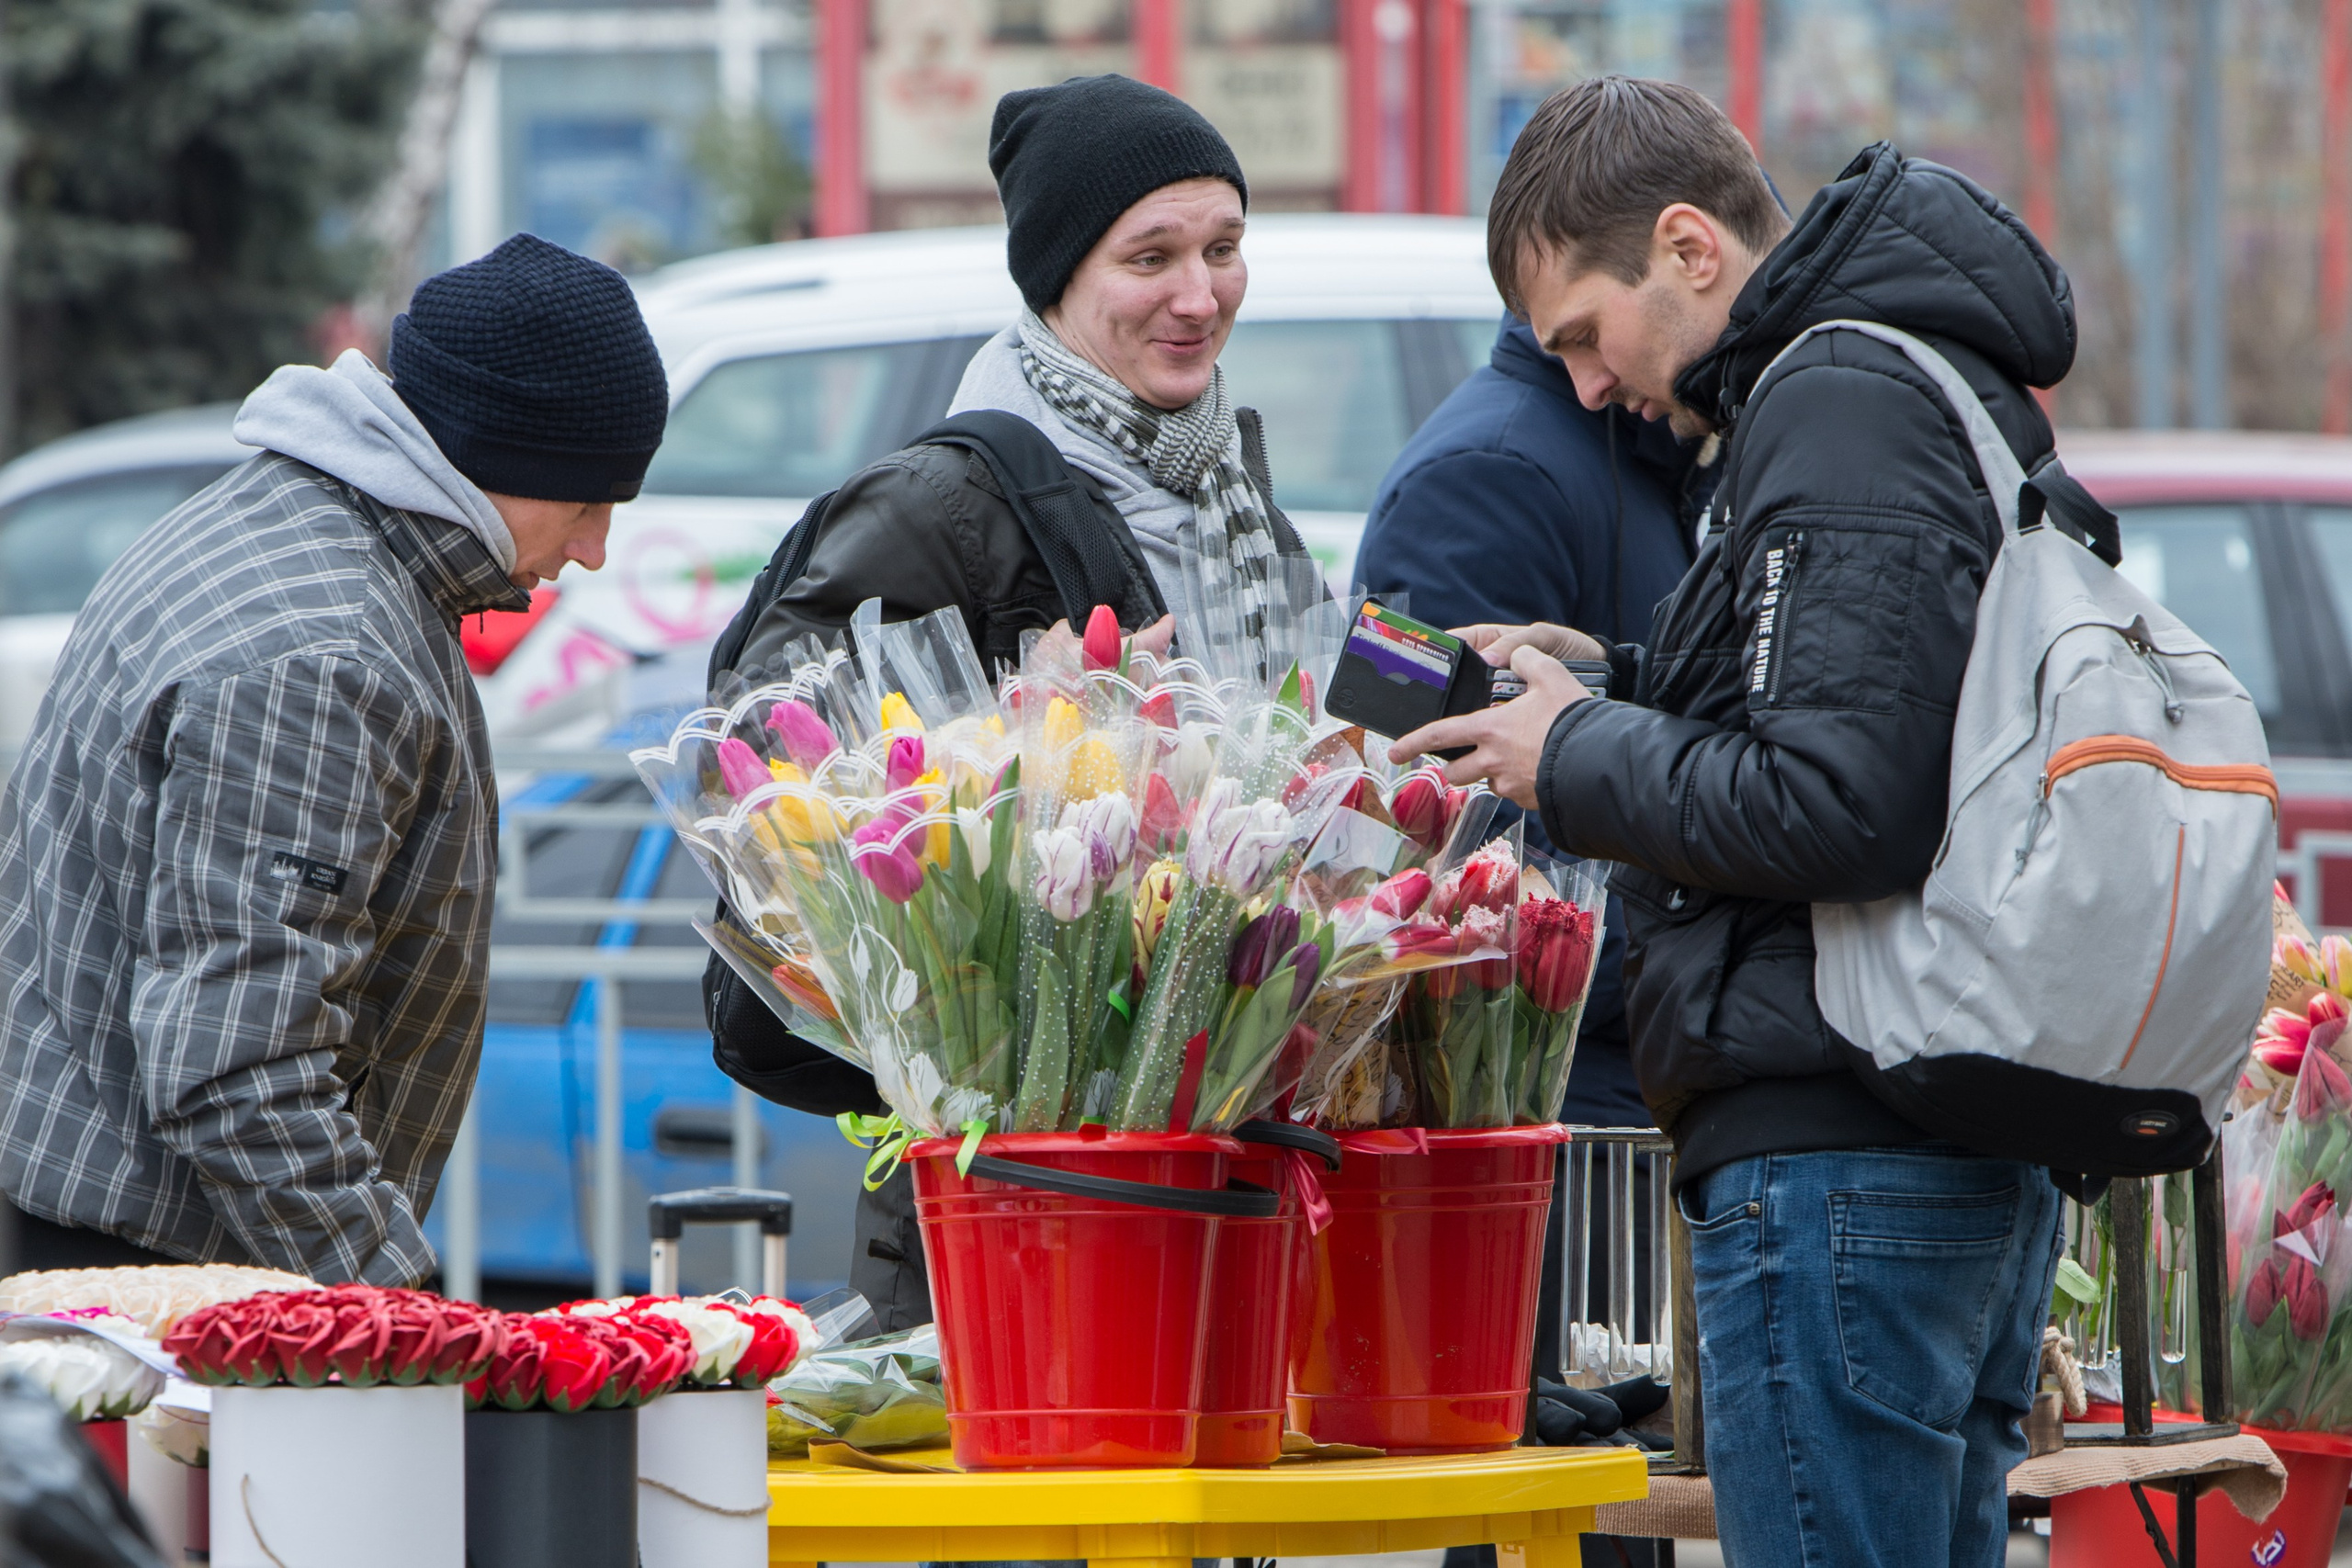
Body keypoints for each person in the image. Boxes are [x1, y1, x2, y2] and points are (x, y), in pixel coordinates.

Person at [1394, 78, 2072, 1568]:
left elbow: (1842, 805)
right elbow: (1867, 723)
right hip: (1917, 1127)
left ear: (1689, 248)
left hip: (1842, 1155)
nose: (1579, 384)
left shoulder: (1833, 402)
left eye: (1583, 331)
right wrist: (1617, 678)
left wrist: (1571, 750)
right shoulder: (1888, 382)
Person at [706, 74, 1319, 1331]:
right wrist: (1023, 743)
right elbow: (766, 756)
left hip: (1207, 1146)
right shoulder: (950, 500)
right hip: (1006, 1185)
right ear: (1054, 277)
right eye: (1150, 256)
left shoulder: (1227, 490)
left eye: (1223, 247)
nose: (1200, 295)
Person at [0, 233, 669, 1284]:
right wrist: (402, 1317)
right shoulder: (325, 652)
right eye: (587, 503)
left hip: (117, 1234)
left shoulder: (290, 525)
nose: (593, 550)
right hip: (150, 1284)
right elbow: (240, 1069)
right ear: (490, 454)